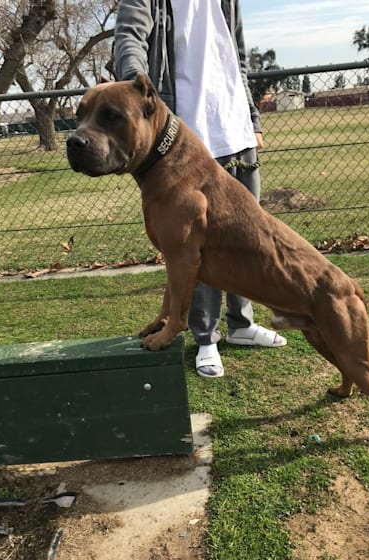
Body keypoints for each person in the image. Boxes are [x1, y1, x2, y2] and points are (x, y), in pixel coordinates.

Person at [114, 0, 287, 379]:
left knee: (245, 238)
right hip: (185, 136)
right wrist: (135, 83)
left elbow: (237, 56)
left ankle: (241, 324)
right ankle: (205, 338)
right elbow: (128, 35)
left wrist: (252, 118)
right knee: (194, 244)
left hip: (236, 129)